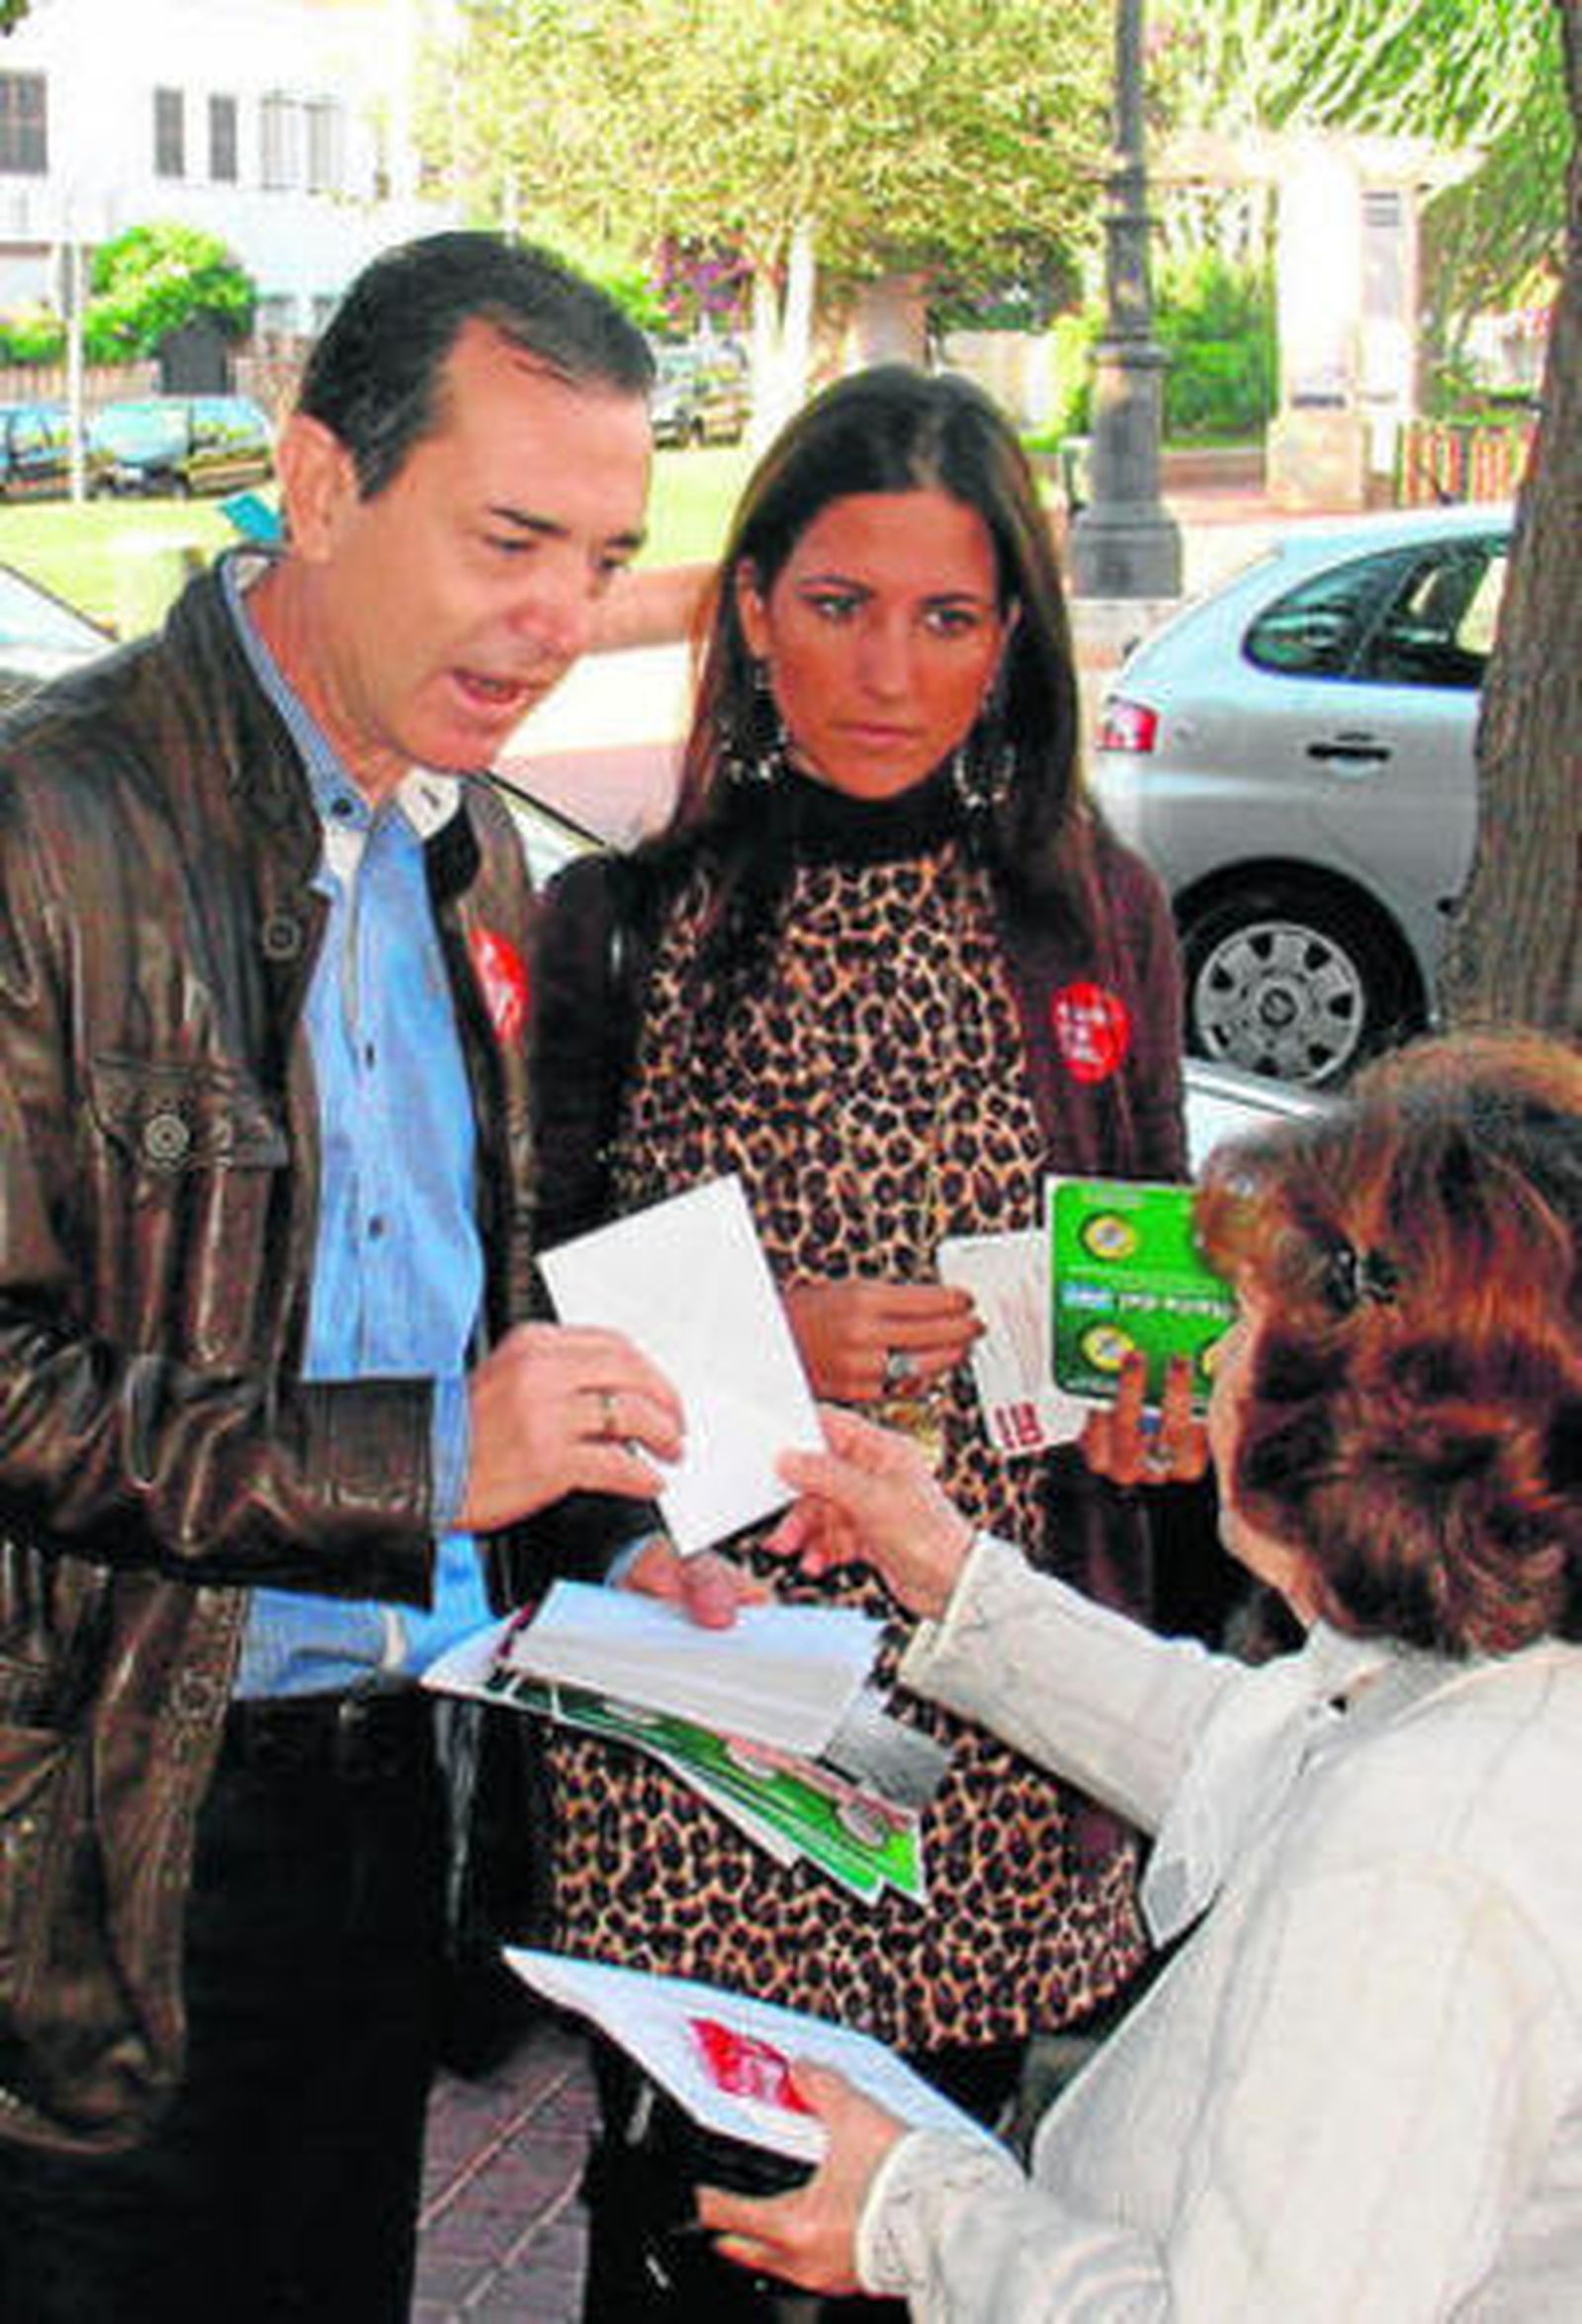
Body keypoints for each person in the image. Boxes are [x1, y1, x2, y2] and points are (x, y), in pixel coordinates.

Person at [0, 229, 693, 2324]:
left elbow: (429, 1310)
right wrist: (424, 1459)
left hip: (392, 1788)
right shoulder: (54, 825)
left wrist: (588, 1564)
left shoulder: (457, 836)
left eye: (601, 552)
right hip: (102, 1832)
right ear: (317, 483)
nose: (558, 617)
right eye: (508, 537)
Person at [530, 362, 1187, 2316]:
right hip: (699, 1704)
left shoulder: (1092, 914)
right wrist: (762, 1334)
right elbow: (517, 1294)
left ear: (1009, 639)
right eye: (836, 604)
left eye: (945, 615)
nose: (887, 671)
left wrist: (1161, 1416)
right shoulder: (622, 924)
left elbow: (1133, 1271)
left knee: (949, 2239)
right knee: (708, 2236)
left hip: (987, 1723)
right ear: (748, 608)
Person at [699, 1026, 1582, 2318]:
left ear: (1346, 1419)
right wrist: (951, 1571)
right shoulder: (1479, 1697)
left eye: (1248, 1328)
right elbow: (1249, 1748)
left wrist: (921, 2211)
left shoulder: (1416, 1862)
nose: (1217, 1366)